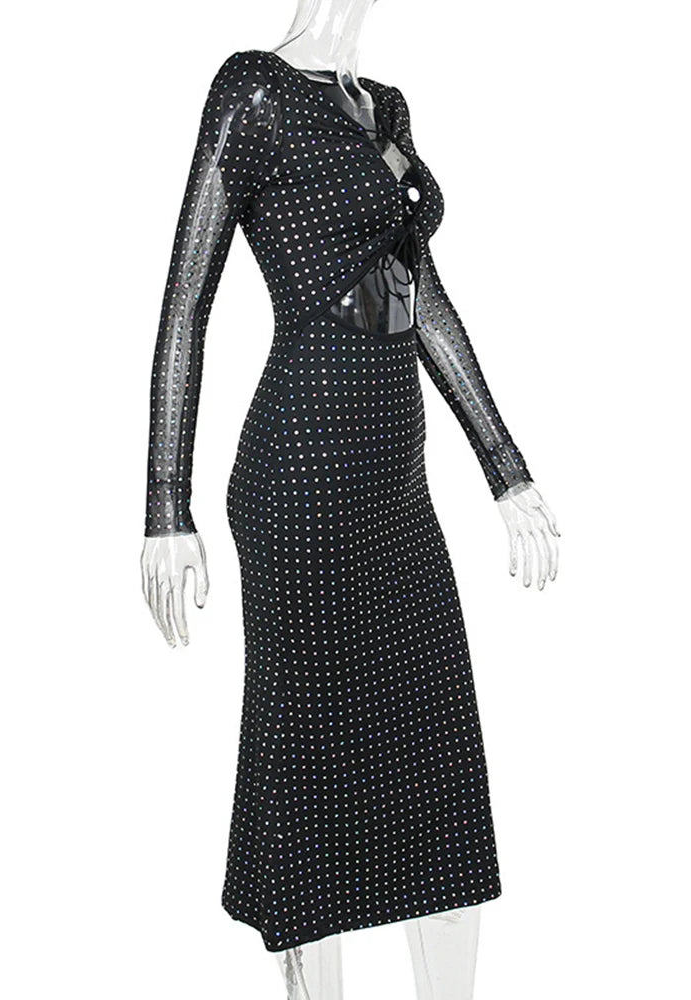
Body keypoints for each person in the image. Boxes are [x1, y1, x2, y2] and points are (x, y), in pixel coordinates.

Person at [141, 2, 559, 996]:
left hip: (397, 485)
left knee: (439, 780)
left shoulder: (387, 107)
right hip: (301, 476)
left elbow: (424, 299)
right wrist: (165, 504)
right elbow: (187, 299)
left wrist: (506, 469)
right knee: (316, 785)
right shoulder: (252, 90)